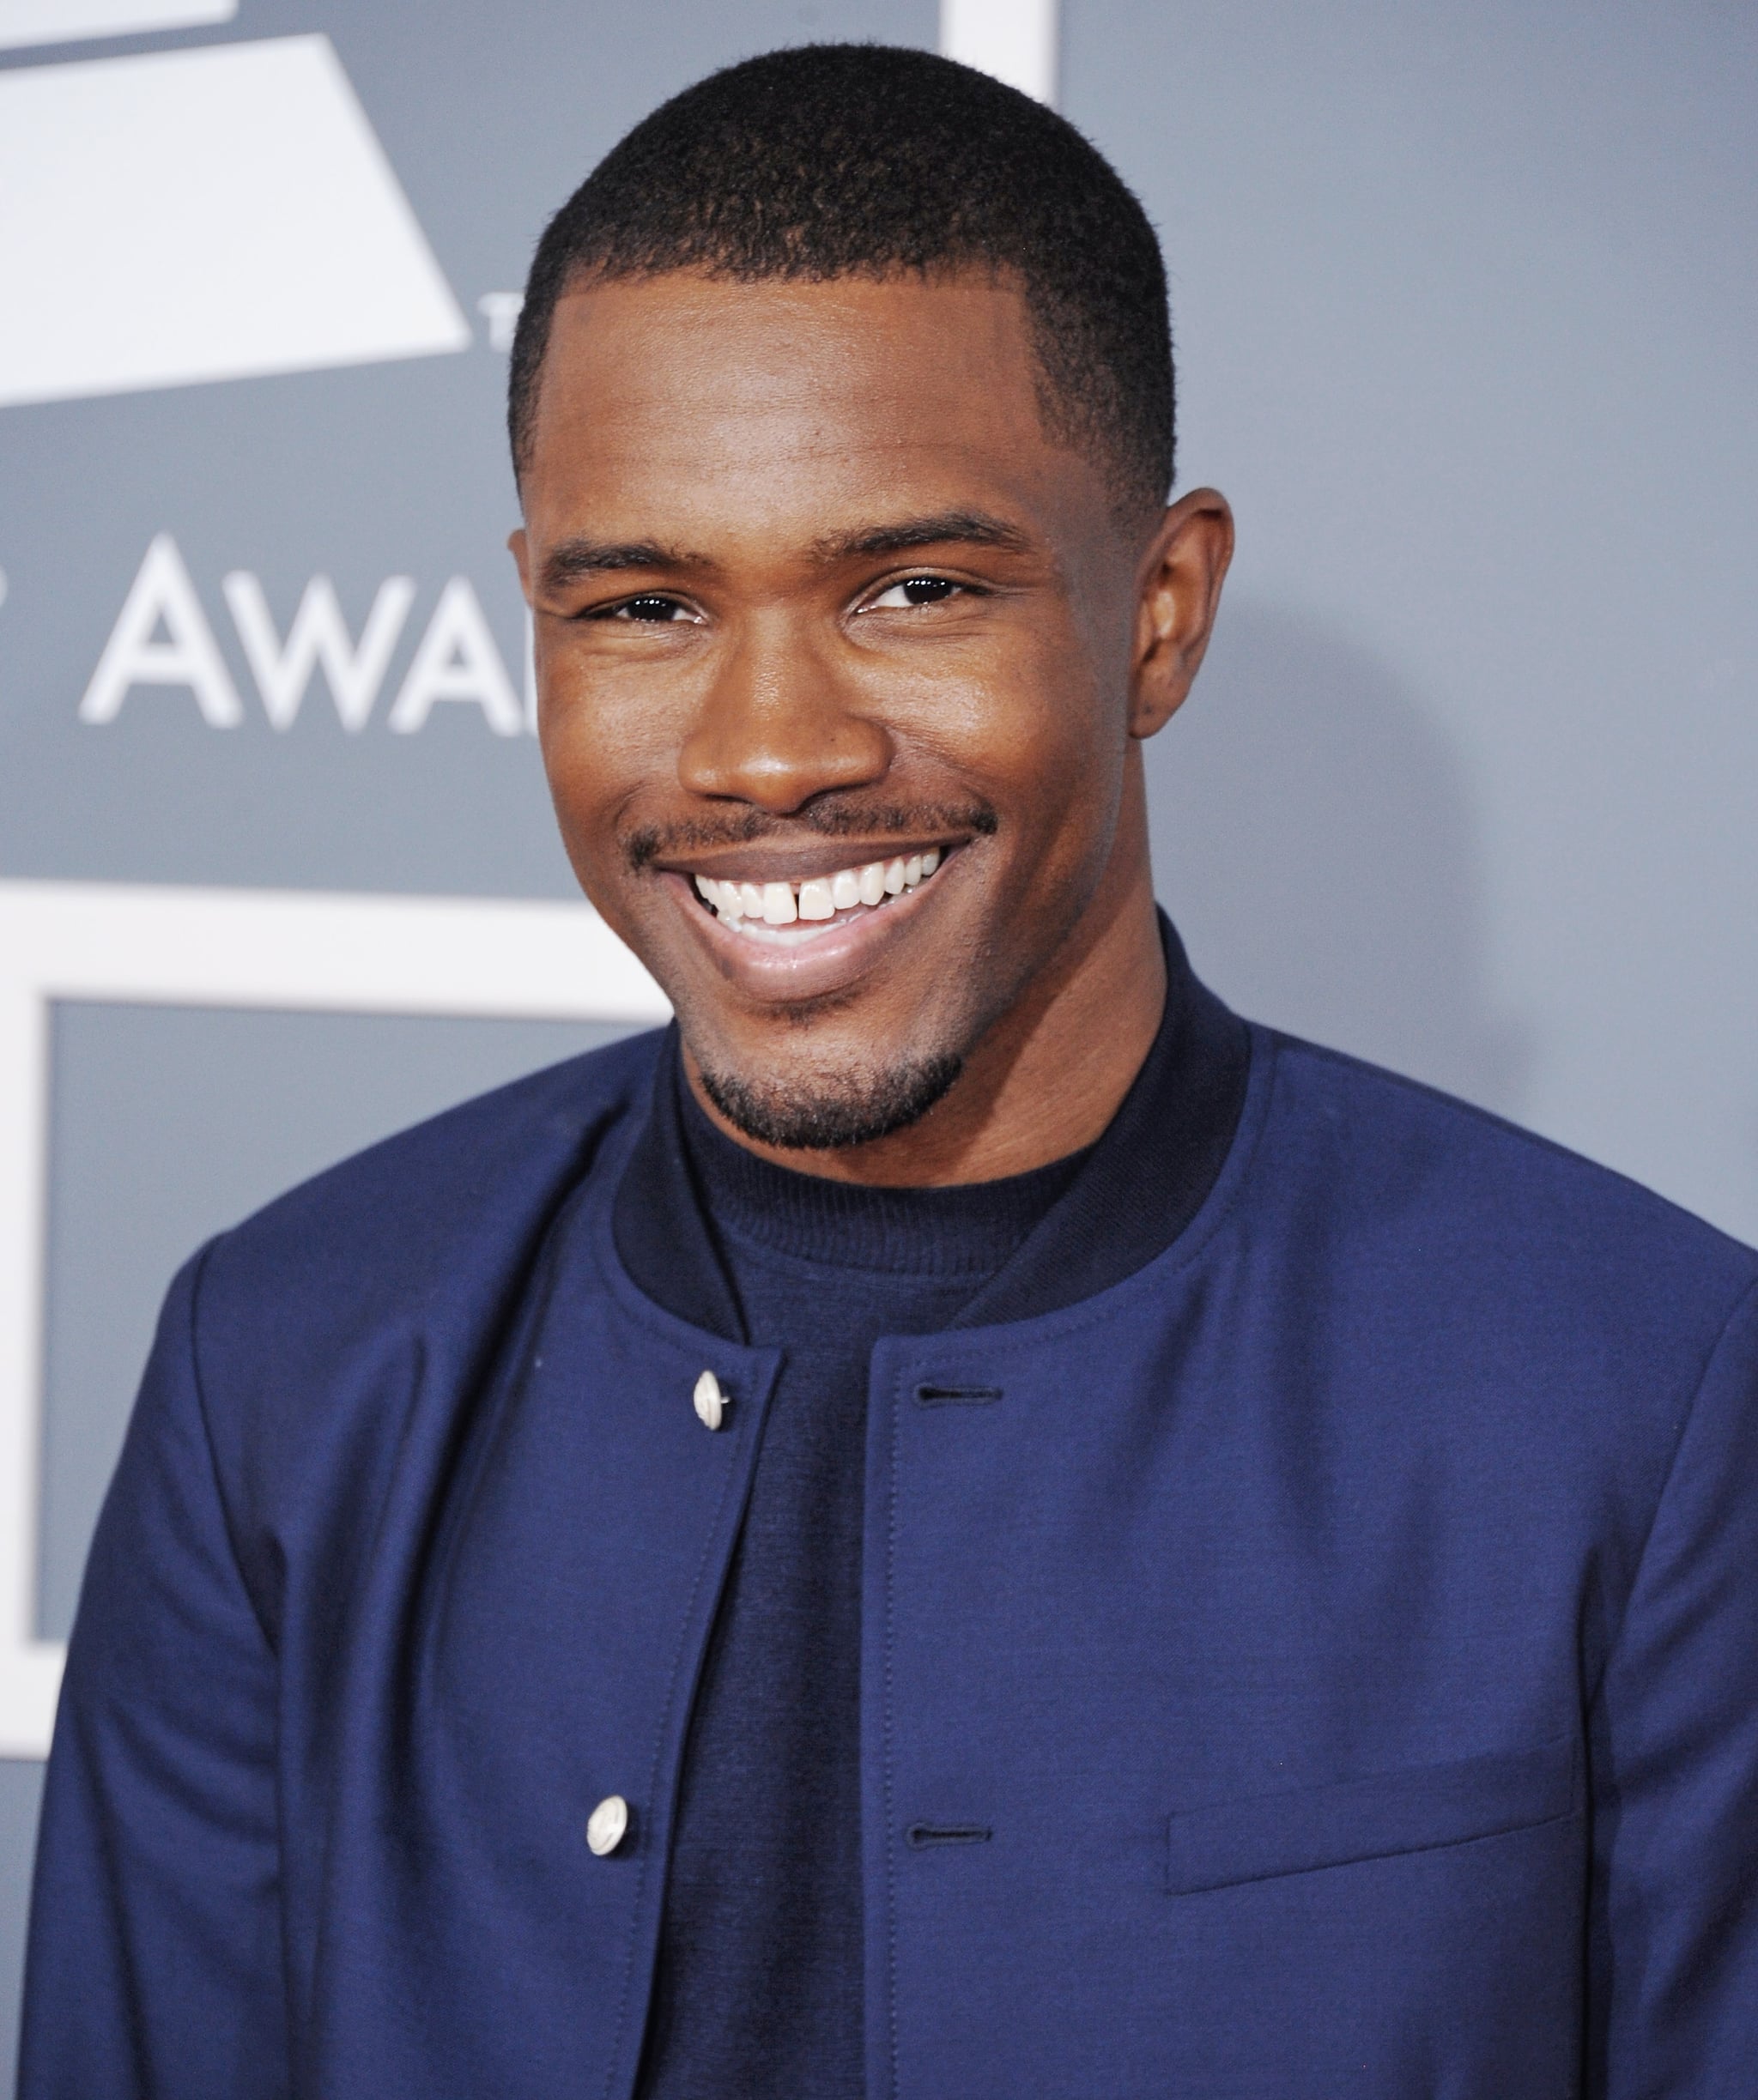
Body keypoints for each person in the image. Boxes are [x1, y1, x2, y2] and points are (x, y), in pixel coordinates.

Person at [20, 41, 1758, 2100]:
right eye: (647, 604)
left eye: (912, 590)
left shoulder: (1641, 1394)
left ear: (1160, 615)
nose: (768, 751)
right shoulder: (289, 1368)